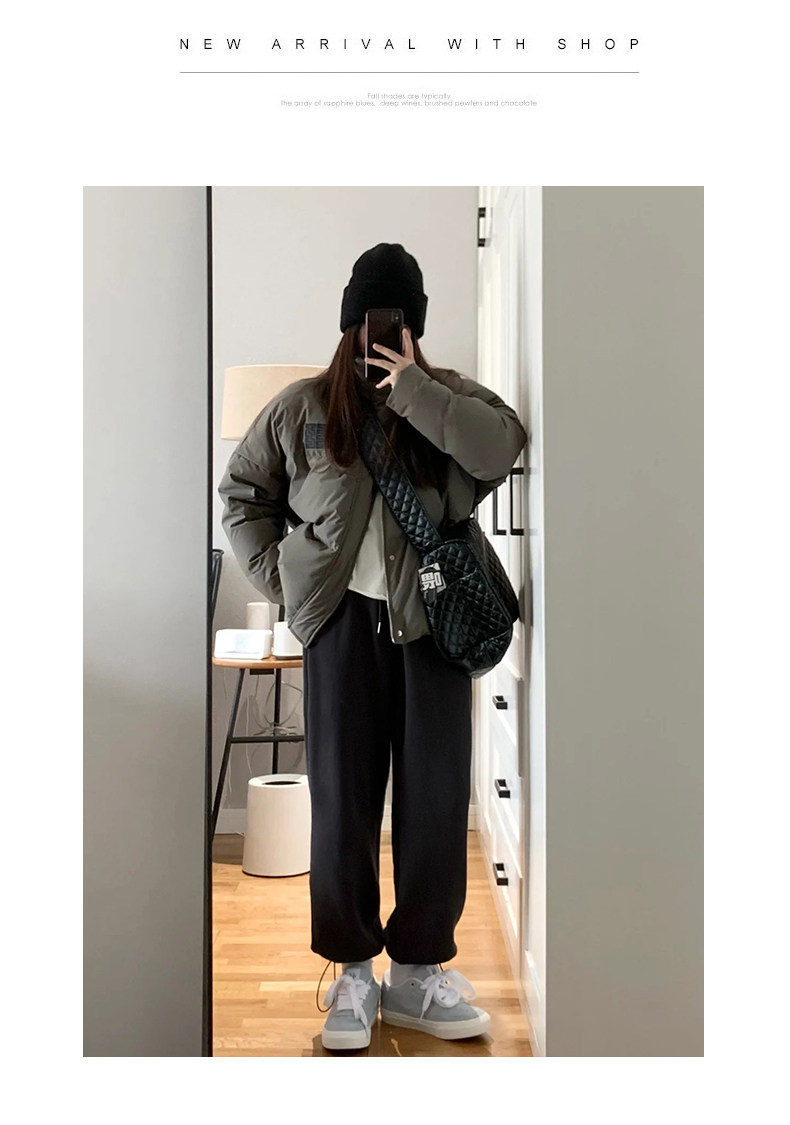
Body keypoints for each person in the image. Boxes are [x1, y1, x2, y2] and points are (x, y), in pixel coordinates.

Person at [219, 243, 528, 1051]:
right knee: (343, 805)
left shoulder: (448, 397)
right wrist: (283, 584)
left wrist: (416, 389)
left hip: (431, 631)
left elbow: (502, 446)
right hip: (340, 628)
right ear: (348, 321)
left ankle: (418, 971)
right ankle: (353, 970)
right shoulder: (301, 408)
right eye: (367, 318)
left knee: (434, 802)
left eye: (393, 319)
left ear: (414, 325)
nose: (377, 333)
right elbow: (243, 494)